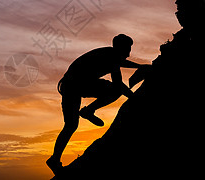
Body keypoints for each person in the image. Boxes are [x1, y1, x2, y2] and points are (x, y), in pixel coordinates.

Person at [46, 34, 149, 174]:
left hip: (71, 86)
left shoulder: (109, 54)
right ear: (120, 48)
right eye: (128, 49)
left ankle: (54, 159)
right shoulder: (111, 57)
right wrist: (135, 98)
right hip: (73, 86)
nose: (129, 53)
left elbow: (122, 63)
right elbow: (118, 84)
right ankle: (88, 111)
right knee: (114, 92)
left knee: (70, 125)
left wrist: (139, 66)